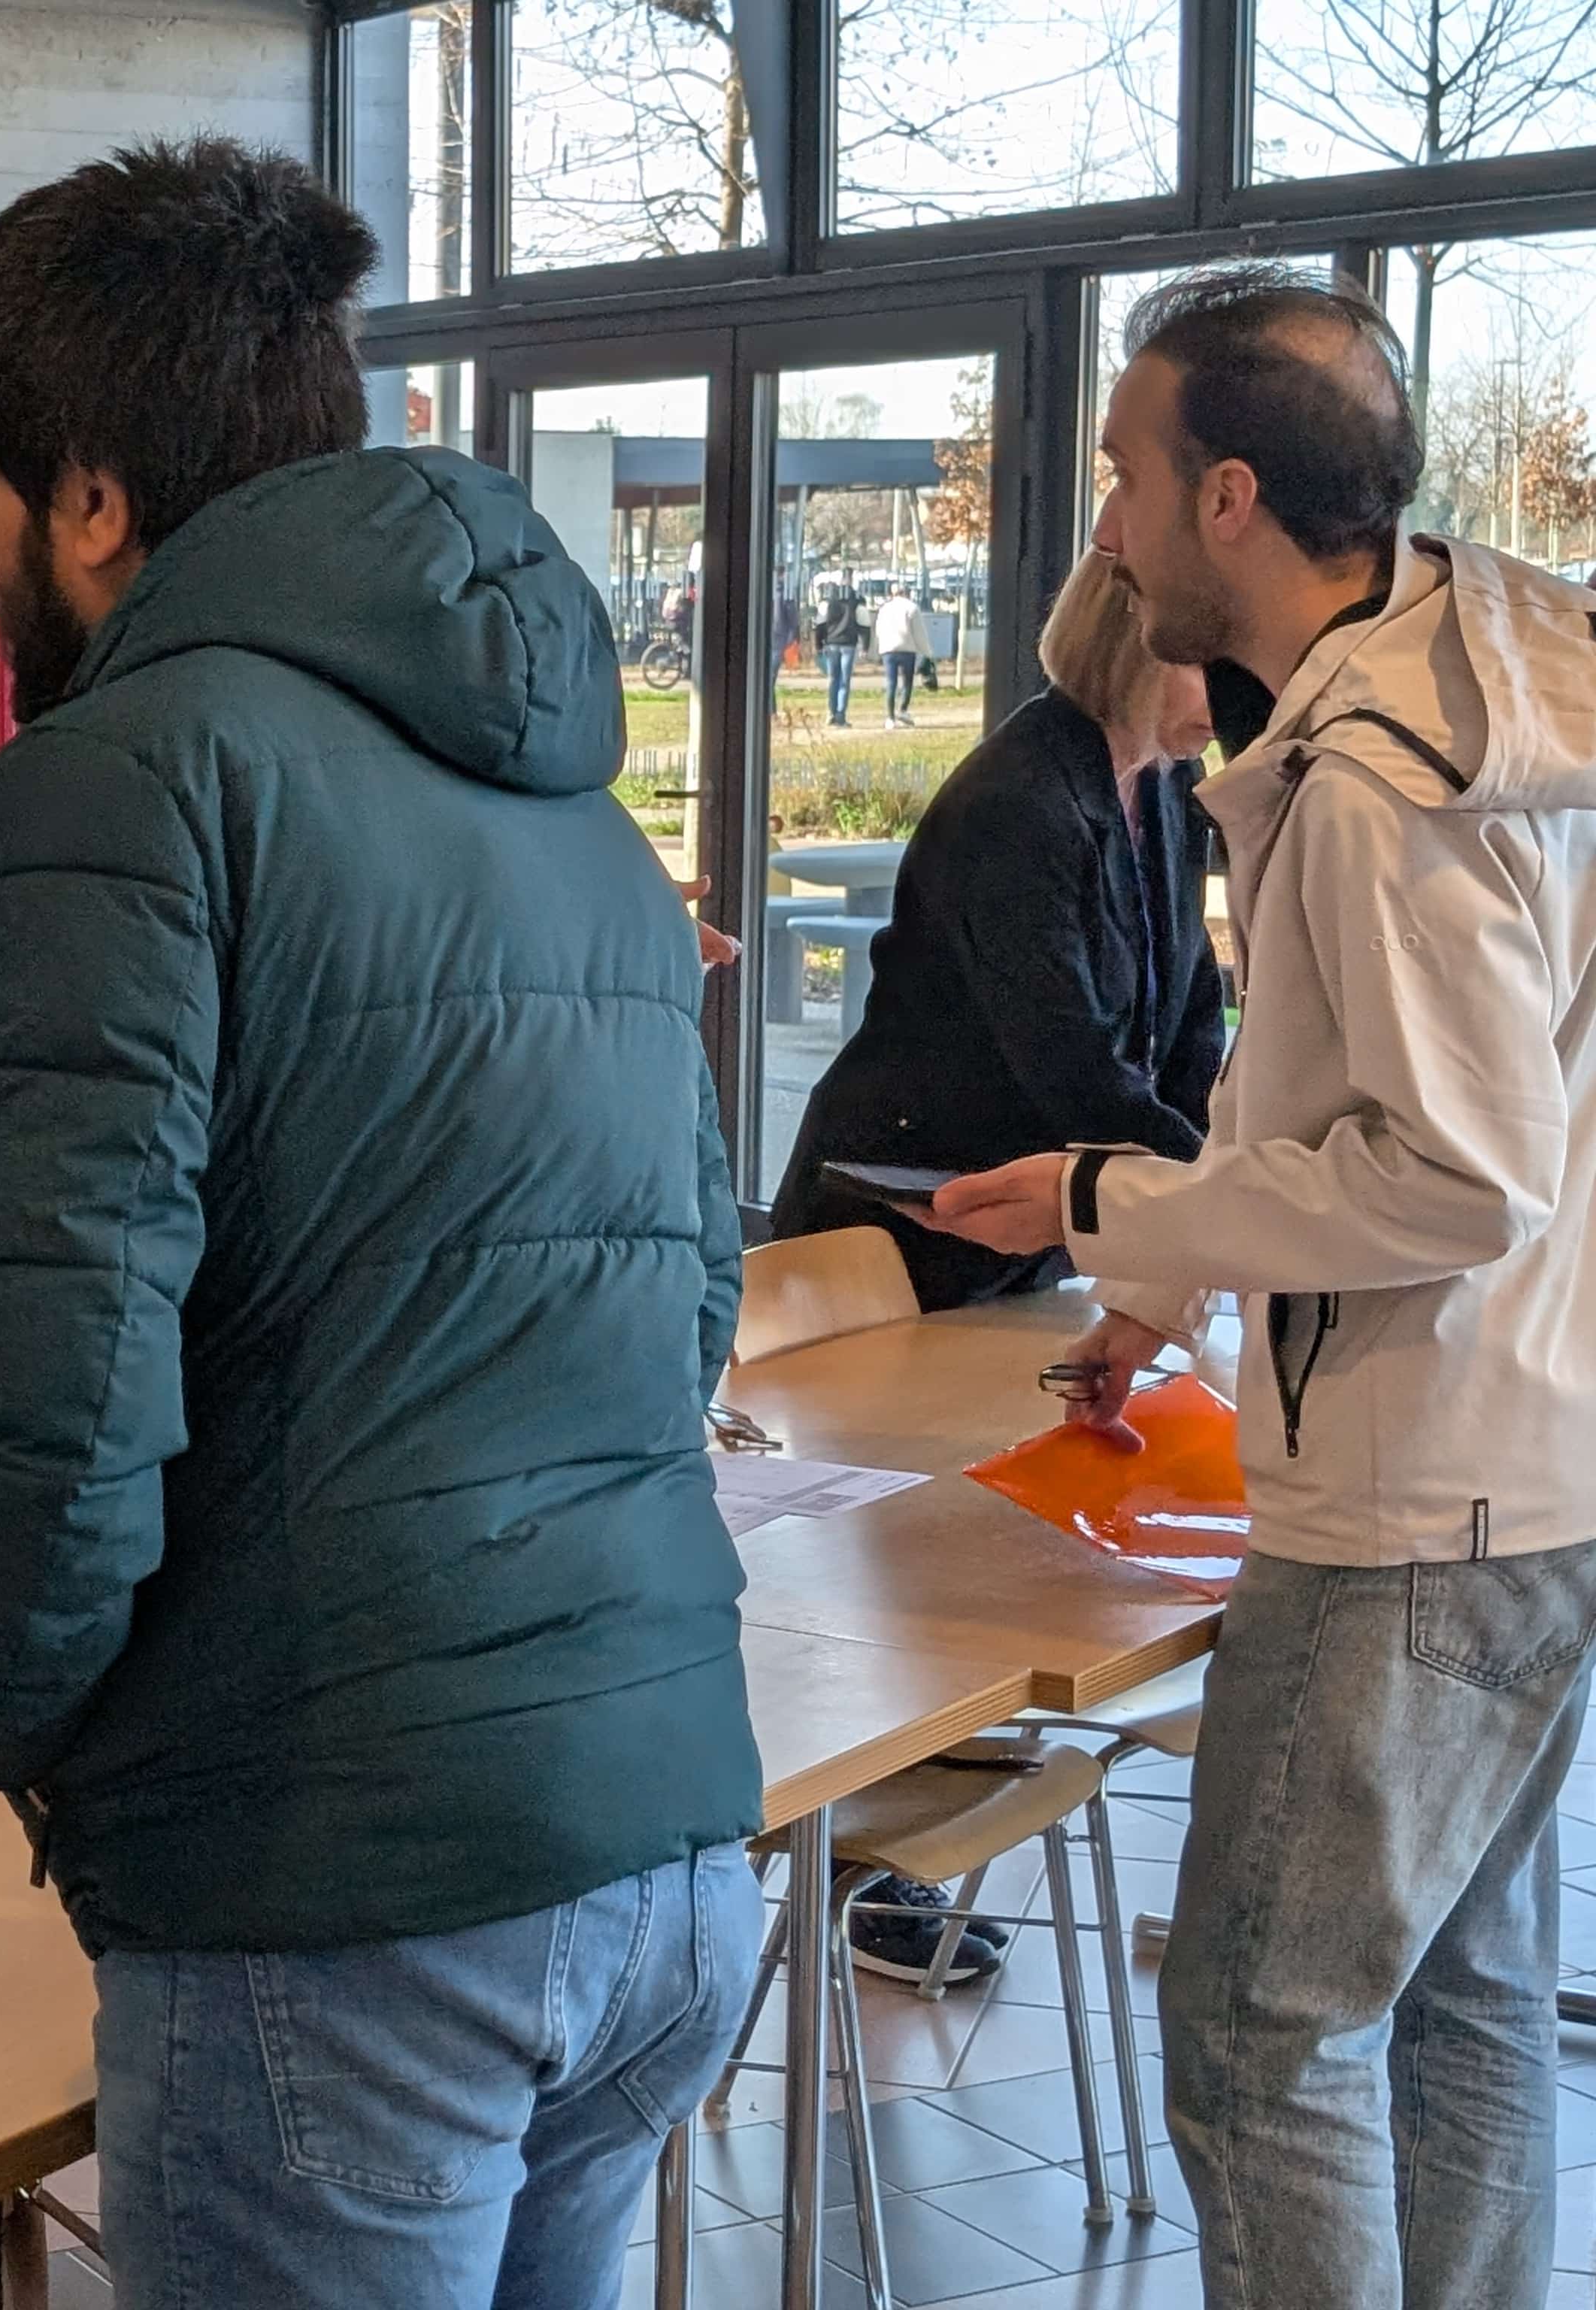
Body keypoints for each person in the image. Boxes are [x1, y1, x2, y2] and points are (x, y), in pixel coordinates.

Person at [0, 141, 760, 2310]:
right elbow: (690, 1305)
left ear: (93, 500)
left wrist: (16, 1728)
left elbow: (51, 1370)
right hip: (663, 1837)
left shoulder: (123, 775)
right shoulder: (574, 803)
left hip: (342, 1881)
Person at [928, 263, 1596, 2310]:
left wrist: (1118, 1200)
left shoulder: (1386, 779)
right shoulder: (1493, 684)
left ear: (1229, 497)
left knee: (1256, 2038)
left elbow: (1449, 1175)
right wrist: (1180, 1253)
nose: (1104, 527)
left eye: (1123, 474)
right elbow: (1381, 1113)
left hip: (1413, 1499)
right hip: (1536, 1457)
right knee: (1457, 2003)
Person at [770, 545, 1225, 1315]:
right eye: (1205, 668)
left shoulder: (1171, 784)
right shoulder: (1017, 803)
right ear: (1131, 653)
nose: (1230, 697)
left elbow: (1192, 1012)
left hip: (1021, 1226)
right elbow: (1068, 1060)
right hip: (901, 1226)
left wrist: (1209, 1170)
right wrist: (1221, 1196)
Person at [814, 574, 866, 725]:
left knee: (833, 679)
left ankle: (831, 712)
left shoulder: (828, 602)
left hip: (831, 644)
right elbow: (863, 625)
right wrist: (865, 645)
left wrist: (819, 645)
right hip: (849, 644)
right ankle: (841, 715)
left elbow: (820, 626)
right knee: (844, 680)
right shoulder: (857, 601)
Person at [874, 584, 924, 724]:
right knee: (907, 682)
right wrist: (926, 651)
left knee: (891, 682)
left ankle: (890, 718)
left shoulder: (884, 609)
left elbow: (879, 630)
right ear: (907, 593)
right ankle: (903, 710)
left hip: (888, 650)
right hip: (907, 648)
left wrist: (881, 647)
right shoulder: (912, 607)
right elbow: (919, 632)